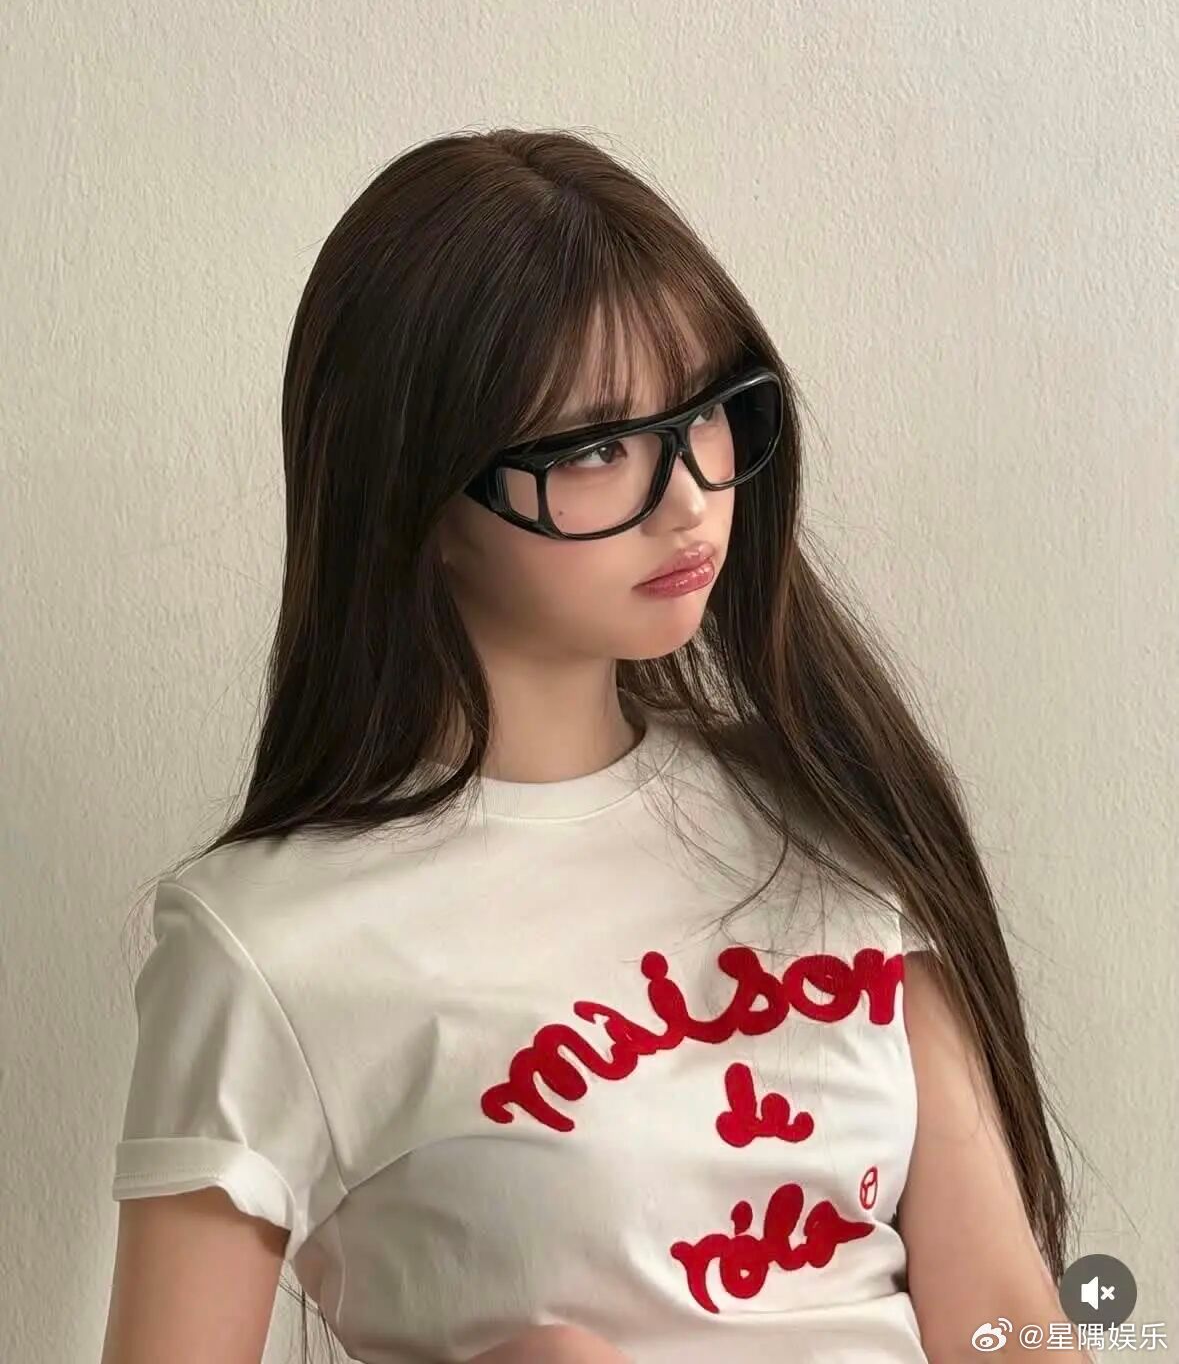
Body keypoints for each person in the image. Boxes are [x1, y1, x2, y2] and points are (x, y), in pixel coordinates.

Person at [101, 127, 1091, 1364]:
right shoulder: (266, 941)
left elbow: (1006, 1320)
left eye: (707, 412)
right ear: (419, 498)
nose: (691, 497)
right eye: (593, 446)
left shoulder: (827, 804)